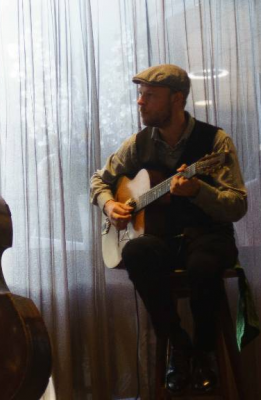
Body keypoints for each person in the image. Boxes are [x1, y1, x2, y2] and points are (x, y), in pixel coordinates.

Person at [90, 64, 247, 394]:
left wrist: (199, 191)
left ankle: (205, 353)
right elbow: (99, 180)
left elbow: (237, 205)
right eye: (140, 95)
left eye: (150, 96)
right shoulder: (138, 143)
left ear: (177, 100)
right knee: (135, 251)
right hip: (161, 240)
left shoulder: (215, 143)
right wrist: (109, 204)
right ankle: (178, 344)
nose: (140, 102)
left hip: (207, 236)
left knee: (203, 264)